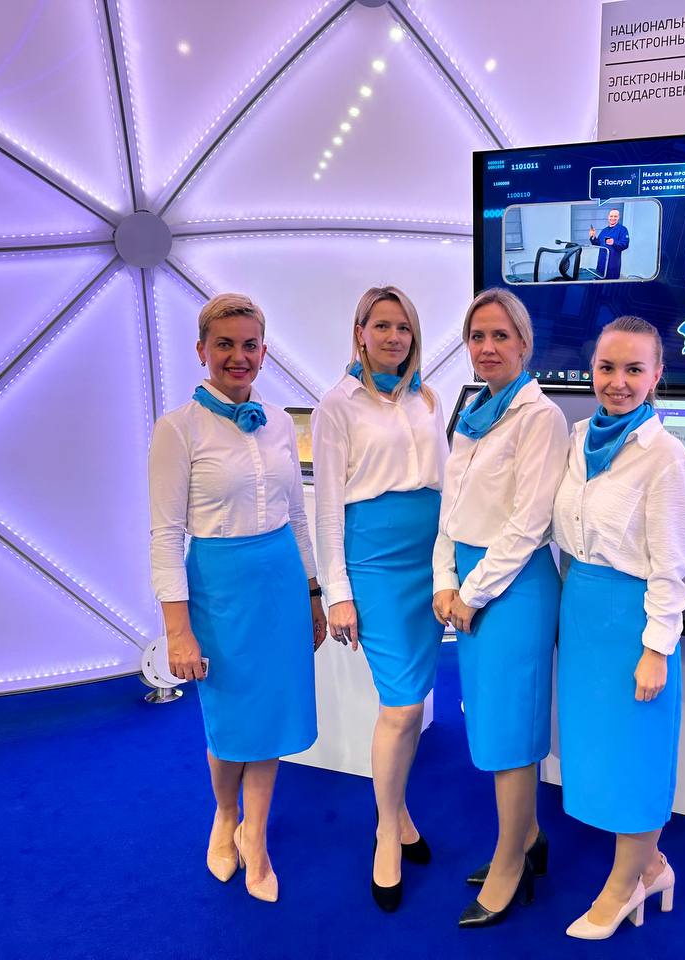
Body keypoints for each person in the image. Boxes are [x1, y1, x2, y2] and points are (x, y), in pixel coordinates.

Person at [148, 292, 326, 904]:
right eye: (224, 344)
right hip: (218, 587)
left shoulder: (278, 422)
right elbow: (165, 536)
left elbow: (296, 516)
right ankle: (225, 816)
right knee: (229, 716)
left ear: (264, 351)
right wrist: (177, 630)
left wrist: (312, 593)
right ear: (201, 350)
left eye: (249, 345)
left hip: (279, 580)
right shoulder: (176, 429)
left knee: (270, 713)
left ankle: (258, 834)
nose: (238, 356)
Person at [551, 315, 685, 939]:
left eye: (634, 369)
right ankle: (654, 867)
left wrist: (656, 648)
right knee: (598, 749)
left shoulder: (666, 458)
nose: (618, 381)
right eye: (607, 367)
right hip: (581, 608)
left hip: (632, 620)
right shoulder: (578, 438)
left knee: (636, 755)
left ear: (657, 374)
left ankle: (622, 887)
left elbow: (671, 567)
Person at [433, 288, 570, 928]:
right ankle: (529, 838)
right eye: (477, 336)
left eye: (500, 336)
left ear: (523, 344)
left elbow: (527, 523)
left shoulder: (540, 417)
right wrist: (444, 580)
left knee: (511, 735)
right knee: (492, 723)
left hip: (512, 589)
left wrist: (470, 591)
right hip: (471, 582)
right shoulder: (474, 411)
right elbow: (451, 509)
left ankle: (511, 862)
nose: (487, 347)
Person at [311, 286, 449, 913]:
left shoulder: (427, 398)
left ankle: (398, 811)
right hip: (374, 563)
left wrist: (449, 566)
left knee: (414, 700)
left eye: (404, 327)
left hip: (429, 558)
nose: (394, 337)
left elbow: (445, 484)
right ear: (360, 331)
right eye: (383, 326)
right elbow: (327, 510)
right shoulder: (336, 405)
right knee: (400, 705)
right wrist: (336, 592)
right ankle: (386, 831)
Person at [588, 208, 630, 280]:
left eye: (615, 216)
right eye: (611, 216)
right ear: (608, 217)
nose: (613, 218)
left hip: (613, 263)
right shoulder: (604, 230)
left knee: (611, 284)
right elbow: (598, 243)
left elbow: (625, 244)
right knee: (599, 281)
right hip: (601, 263)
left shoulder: (623, 229)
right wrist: (593, 237)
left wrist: (614, 242)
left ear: (618, 217)